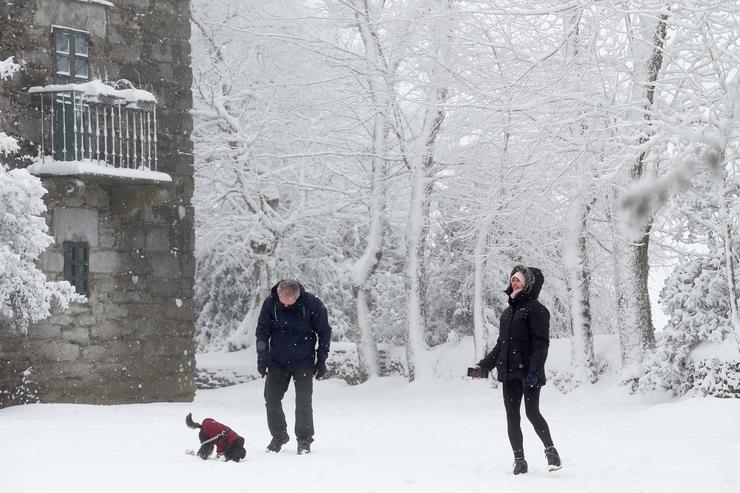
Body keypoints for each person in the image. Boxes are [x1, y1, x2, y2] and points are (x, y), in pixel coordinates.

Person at [472, 265, 561, 475]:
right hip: (509, 373)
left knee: (532, 412)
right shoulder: (507, 313)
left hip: (528, 373)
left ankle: (551, 451)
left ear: (528, 283)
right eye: (512, 279)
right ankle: (519, 460)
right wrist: (482, 366)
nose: (514, 282)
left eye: (519, 279)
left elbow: (541, 344)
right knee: (512, 417)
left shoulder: (536, 310)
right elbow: (501, 346)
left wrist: (534, 372)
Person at [256, 279, 332, 455]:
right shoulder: (271, 303)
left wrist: (321, 359)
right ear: (279, 293)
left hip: (303, 362)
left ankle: (304, 440)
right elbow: (262, 331)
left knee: (303, 402)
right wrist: (262, 358)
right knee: (271, 399)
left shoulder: (312, 304)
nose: (285, 303)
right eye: (283, 298)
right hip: (277, 361)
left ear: (297, 296)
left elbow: (324, 332)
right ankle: (279, 436)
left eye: (289, 299)